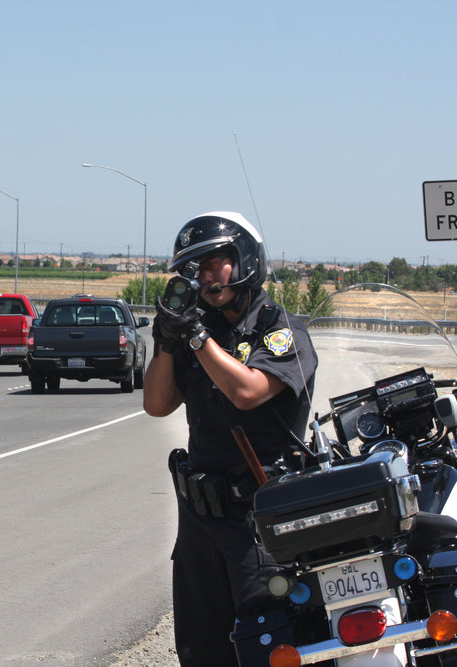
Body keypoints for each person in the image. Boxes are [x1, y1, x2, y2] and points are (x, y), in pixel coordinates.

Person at [143, 211, 318, 666]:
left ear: (244, 259)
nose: (206, 276)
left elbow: (247, 391)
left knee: (267, 642)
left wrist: (197, 338)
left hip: (257, 518)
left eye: (215, 262)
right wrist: (166, 339)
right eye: (196, 269)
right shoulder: (196, 331)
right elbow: (158, 404)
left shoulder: (280, 330)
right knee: (202, 649)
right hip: (200, 517)